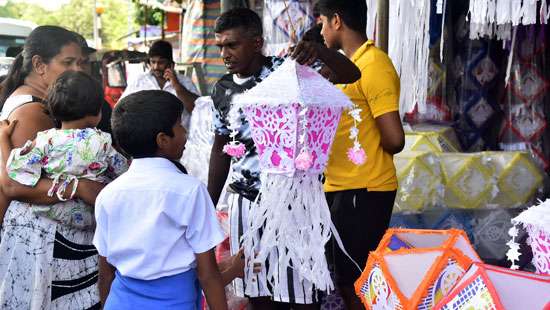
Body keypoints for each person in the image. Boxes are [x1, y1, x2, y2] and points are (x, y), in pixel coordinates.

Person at [207, 8, 360, 310]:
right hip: (246, 205)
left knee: (302, 291)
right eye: (220, 46)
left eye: (232, 45)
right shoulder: (221, 89)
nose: (225, 53)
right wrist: (207, 203)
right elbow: (220, 147)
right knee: (257, 289)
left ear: (256, 43)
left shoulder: (288, 71)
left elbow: (350, 74)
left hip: (295, 203)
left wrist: (318, 50)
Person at [0, 25, 104, 309]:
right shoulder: (34, 112)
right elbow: (14, 184)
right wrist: (81, 187)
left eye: (80, 62)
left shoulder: (44, 103)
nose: (78, 70)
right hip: (43, 240)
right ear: (39, 65)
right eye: (68, 62)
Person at [94, 90, 228, 309]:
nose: (185, 132)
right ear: (163, 140)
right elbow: (208, 274)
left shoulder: (108, 194)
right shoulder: (190, 191)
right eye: (180, 125)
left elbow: (105, 271)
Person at [317, 1, 405, 309]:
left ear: (337, 21)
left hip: (365, 188)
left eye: (322, 23)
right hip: (342, 186)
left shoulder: (374, 64)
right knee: (345, 278)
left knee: (357, 282)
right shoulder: (347, 66)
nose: (321, 31)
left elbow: (394, 139)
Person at [0, 71, 128, 228]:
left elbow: (15, 169)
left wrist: (4, 138)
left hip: (50, 221)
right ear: (97, 113)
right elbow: (124, 173)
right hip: (91, 222)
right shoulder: (103, 142)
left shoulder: (45, 140)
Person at [119, 40, 199, 129]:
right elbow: (121, 107)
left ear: (171, 64)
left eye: (161, 62)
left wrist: (176, 85)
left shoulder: (185, 82)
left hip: (181, 140)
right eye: (153, 62)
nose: (156, 67)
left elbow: (196, 110)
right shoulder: (139, 81)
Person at [73, 32, 113, 133]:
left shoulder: (100, 105)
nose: (80, 69)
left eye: (85, 62)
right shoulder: (46, 106)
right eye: (70, 62)